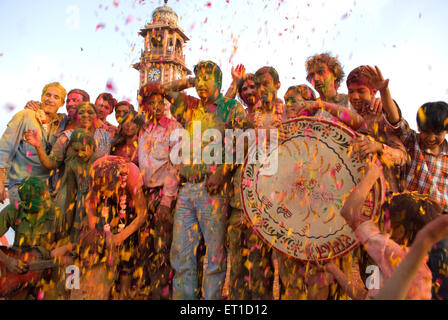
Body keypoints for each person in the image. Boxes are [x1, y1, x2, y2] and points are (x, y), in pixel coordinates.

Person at [164, 60, 249, 300]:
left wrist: (223, 171)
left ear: (219, 83)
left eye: (206, 78)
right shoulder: (190, 106)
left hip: (213, 190)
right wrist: (190, 80)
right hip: (186, 189)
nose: (200, 83)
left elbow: (243, 141)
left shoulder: (231, 107)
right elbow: (165, 88)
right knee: (181, 253)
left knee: (214, 256)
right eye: (198, 79)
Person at [340, 157, 436, 299]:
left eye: (387, 219)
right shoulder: (424, 275)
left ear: (399, 232)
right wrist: (332, 268)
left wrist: (371, 176)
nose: (381, 223)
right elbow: (367, 297)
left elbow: (349, 212)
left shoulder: (393, 253)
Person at [381, 98, 448, 299]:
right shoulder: (412, 142)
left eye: (437, 132)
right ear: (419, 128)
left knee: (440, 266)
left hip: (438, 219)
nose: (430, 137)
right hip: (409, 218)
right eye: (425, 131)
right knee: (406, 269)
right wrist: (384, 91)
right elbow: (395, 121)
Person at [137, 83, 182, 299]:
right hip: (144, 195)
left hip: (164, 195)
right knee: (146, 246)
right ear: (144, 106)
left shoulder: (174, 128)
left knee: (163, 247)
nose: (156, 107)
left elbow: (175, 166)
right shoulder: (144, 130)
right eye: (150, 103)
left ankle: (163, 293)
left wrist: (166, 202)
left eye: (159, 102)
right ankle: (153, 290)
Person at [85, 155, 147, 299]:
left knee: (127, 248)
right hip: (109, 204)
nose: (107, 193)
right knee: (103, 238)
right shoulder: (96, 173)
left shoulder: (132, 175)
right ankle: (105, 288)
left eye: (110, 190)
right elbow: (91, 205)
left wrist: (121, 236)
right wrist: (94, 232)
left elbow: (143, 214)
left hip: (129, 203)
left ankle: (123, 293)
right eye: (104, 191)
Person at [0, 82, 68, 206]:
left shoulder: (61, 123)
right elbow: (4, 149)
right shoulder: (25, 115)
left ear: (62, 103)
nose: (50, 100)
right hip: (20, 186)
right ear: (42, 97)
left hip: (46, 190)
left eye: (56, 97)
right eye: (48, 95)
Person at [346, 65, 407, 194]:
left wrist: (378, 147)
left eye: (361, 91)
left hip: (385, 194)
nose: (355, 96)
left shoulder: (381, 114)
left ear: (373, 92)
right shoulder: (350, 119)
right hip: (357, 192)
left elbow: (402, 156)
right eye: (351, 91)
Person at [0, 177, 62, 299]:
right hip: (17, 276)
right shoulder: (13, 211)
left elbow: (65, 244)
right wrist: (7, 261)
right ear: (25, 202)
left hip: (46, 274)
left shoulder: (56, 213)